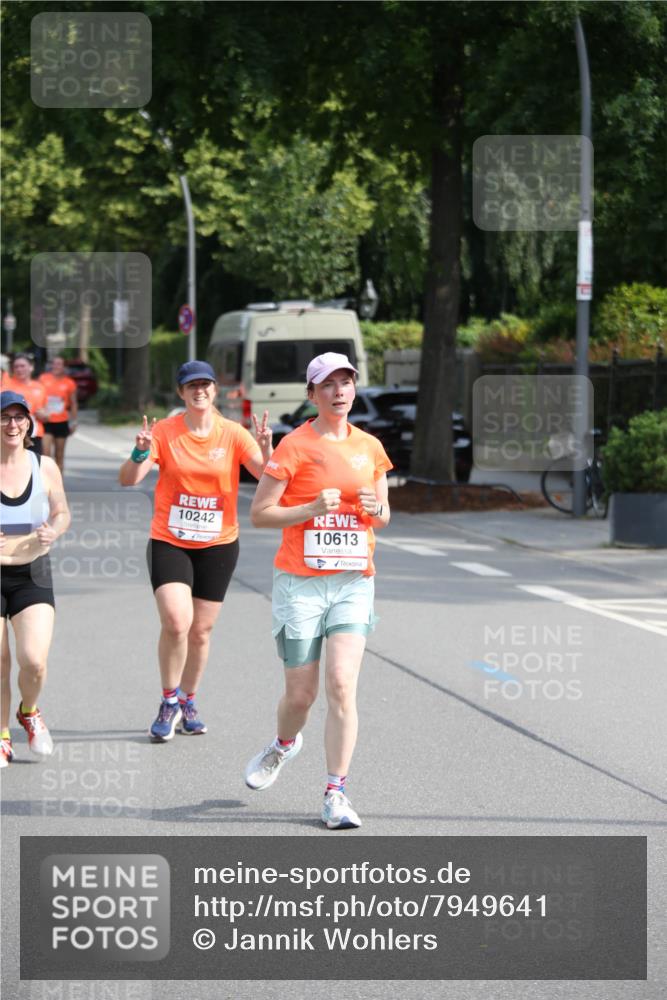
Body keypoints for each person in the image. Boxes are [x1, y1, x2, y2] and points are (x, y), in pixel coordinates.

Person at [244, 352, 392, 829]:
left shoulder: (370, 447)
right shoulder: (293, 446)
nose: (339, 391)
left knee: (342, 686)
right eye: (328, 384)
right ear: (312, 394)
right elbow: (260, 514)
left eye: (346, 382)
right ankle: (284, 744)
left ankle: (336, 793)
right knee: (301, 697)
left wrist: (373, 509)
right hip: (301, 585)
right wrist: (308, 508)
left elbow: (384, 516)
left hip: (352, 581)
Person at [118, 360, 272, 742]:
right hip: (170, 540)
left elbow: (268, 476)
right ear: (181, 393)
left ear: (215, 390)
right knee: (176, 621)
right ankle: (168, 700)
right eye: (191, 386)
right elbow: (129, 479)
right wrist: (139, 453)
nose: (199, 391)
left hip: (218, 544)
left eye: (205, 384)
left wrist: (268, 450)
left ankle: (189, 700)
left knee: (201, 632)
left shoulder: (233, 434)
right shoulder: (165, 432)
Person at [0, 390, 71, 768]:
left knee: (34, 661)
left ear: (29, 423)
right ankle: (1, 736)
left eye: (18, 417)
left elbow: (62, 512)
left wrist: (54, 531)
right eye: (4, 417)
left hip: (32, 572)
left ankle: (29, 711)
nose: (12, 424)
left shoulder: (44, 467)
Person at [39, 356, 78, 472]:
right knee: (45, 456)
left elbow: (74, 403)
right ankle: (46, 485)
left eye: (59, 364)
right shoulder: (43, 379)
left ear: (64, 367)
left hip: (62, 422)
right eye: (54, 363)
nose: (55, 366)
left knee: (59, 456)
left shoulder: (69, 383)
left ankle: (58, 486)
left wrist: (74, 422)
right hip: (46, 421)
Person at [3, 354, 49, 455]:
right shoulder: (5, 387)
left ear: (31, 367)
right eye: (16, 366)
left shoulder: (40, 388)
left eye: (22, 366)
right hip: (12, 433)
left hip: (34, 434)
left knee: (35, 466)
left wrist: (44, 415)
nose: (19, 369)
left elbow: (46, 413)